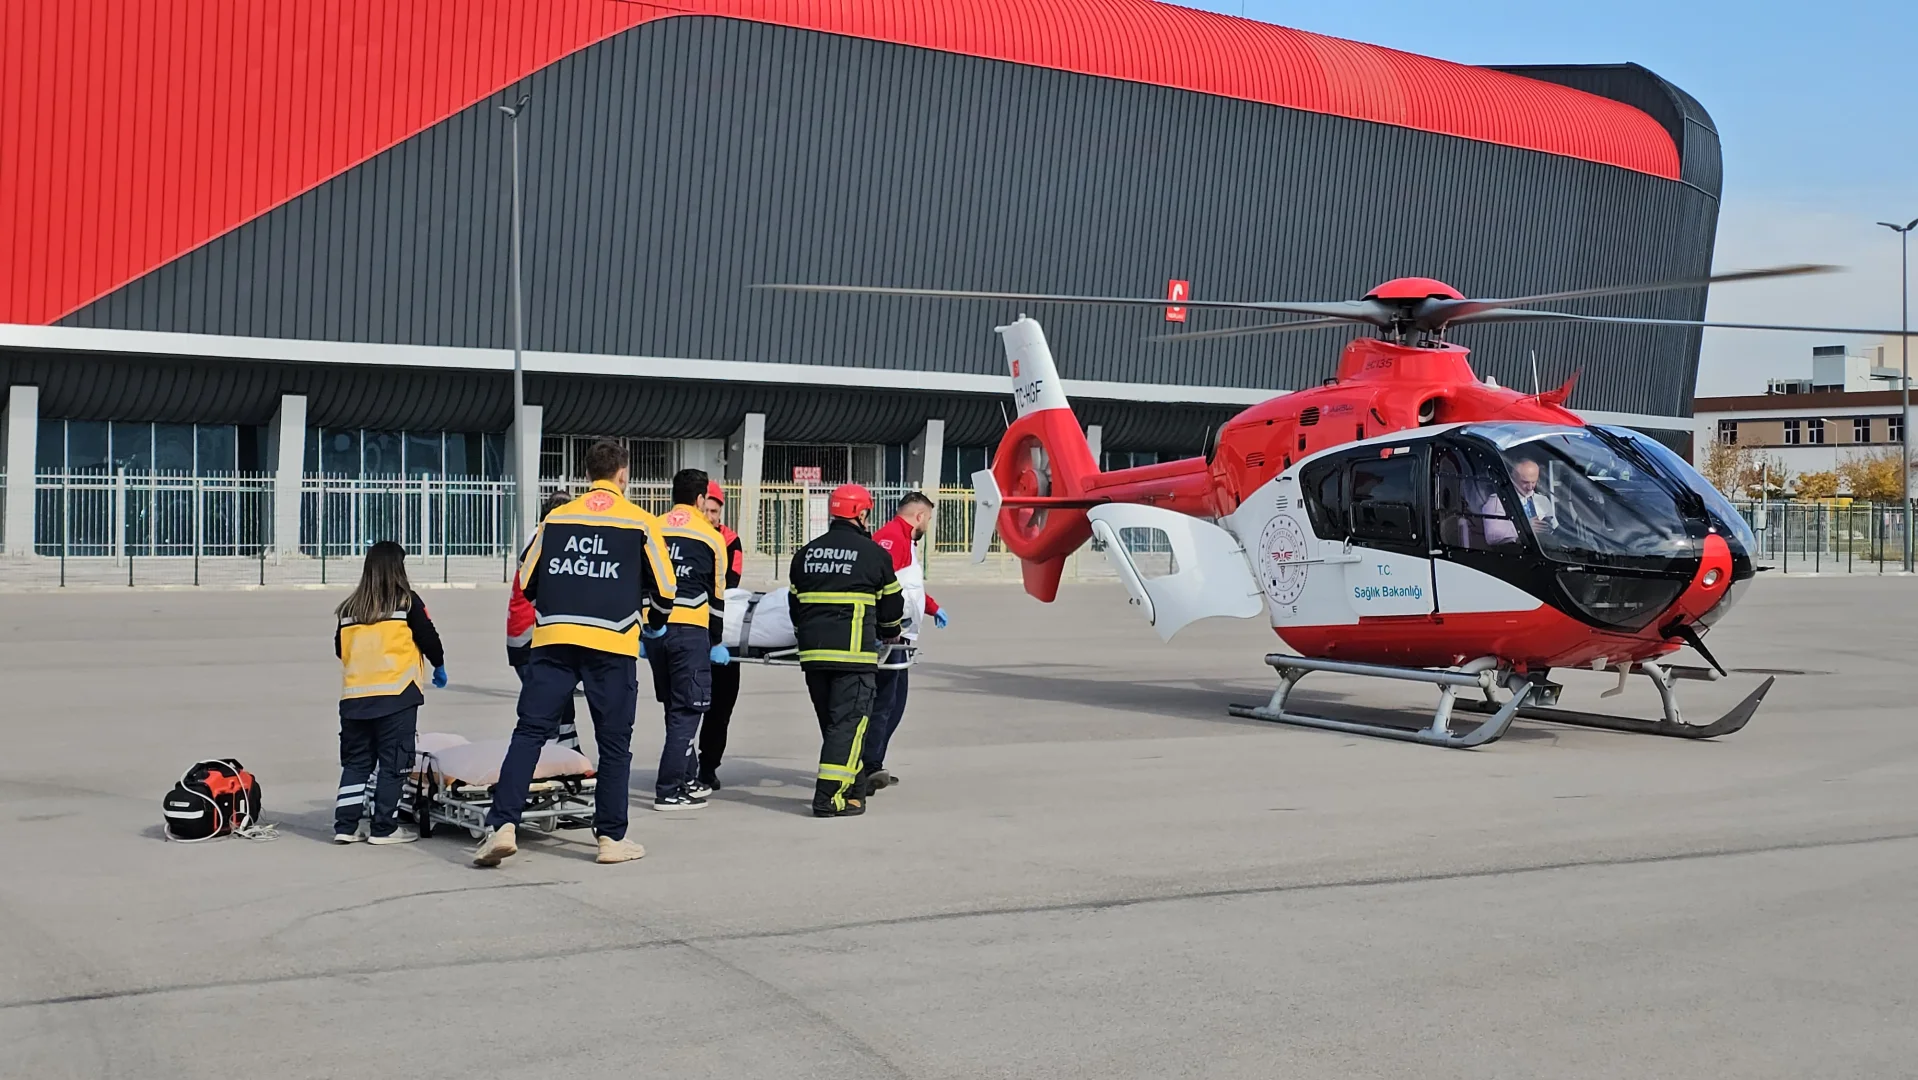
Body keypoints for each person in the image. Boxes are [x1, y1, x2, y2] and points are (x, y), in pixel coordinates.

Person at [474, 439, 676, 867]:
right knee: (614, 743)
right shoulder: (639, 521)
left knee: (529, 733)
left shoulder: (557, 518)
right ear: (623, 475)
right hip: (613, 642)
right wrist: (652, 623)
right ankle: (610, 838)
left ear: (588, 474)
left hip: (554, 640)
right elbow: (665, 589)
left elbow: (527, 580)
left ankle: (504, 825)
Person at [788, 484, 905, 818]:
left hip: (813, 657)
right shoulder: (872, 554)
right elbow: (891, 606)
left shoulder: (806, 554)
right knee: (848, 725)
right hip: (853, 658)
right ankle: (828, 798)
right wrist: (890, 632)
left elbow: (794, 605)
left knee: (836, 725)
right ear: (861, 513)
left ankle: (854, 791)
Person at [333, 540, 445, 846]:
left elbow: (339, 649)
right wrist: (439, 664)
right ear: (398, 567)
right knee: (395, 763)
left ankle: (346, 825)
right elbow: (429, 638)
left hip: (355, 699)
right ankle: (384, 827)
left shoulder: (348, 609)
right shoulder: (406, 602)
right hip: (397, 695)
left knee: (356, 763)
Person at [647, 468, 731, 810]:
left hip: (655, 630)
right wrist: (716, 641)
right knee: (688, 710)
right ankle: (669, 788)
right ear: (701, 499)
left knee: (674, 706)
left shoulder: (653, 526)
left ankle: (688, 777)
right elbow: (717, 596)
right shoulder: (710, 536)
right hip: (690, 631)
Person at [863, 490, 948, 791]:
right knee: (884, 703)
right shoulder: (892, 538)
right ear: (920, 516)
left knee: (895, 704)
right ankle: (868, 766)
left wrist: (933, 607)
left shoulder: (906, 541)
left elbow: (907, 588)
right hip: (890, 635)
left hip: (902, 635)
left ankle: (874, 762)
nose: (928, 525)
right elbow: (878, 585)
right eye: (929, 520)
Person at [506, 490, 581, 751]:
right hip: (532, 637)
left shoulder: (539, 538)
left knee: (560, 704)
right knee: (545, 710)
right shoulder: (547, 539)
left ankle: (571, 755)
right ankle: (547, 762)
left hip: (528, 636)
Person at [697, 479, 745, 790]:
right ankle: (684, 764)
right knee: (686, 708)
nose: (711, 516)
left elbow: (733, 580)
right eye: (707, 510)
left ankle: (708, 766)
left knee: (720, 709)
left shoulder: (730, 540)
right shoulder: (687, 535)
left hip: (721, 630)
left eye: (715, 511)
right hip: (691, 629)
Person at [1482, 460, 1555, 545]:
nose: (1530, 487)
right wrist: (1525, 527)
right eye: (1525, 482)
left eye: (1533, 482)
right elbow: (1492, 536)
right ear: (1513, 478)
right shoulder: (1498, 501)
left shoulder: (1543, 501)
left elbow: (1554, 528)